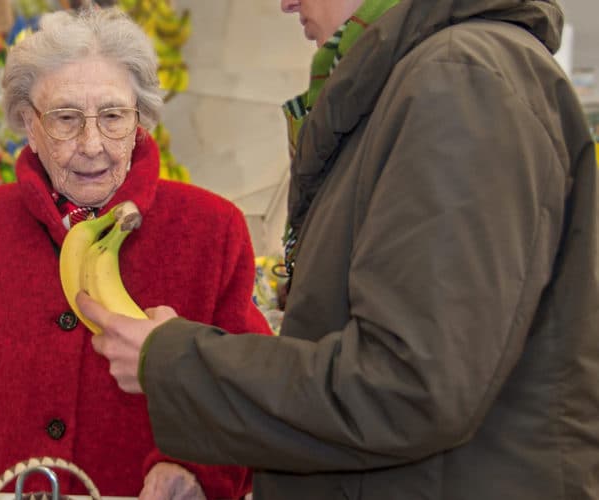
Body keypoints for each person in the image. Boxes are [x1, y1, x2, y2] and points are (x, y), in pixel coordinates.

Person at [80, 0, 599, 499]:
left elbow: (408, 386)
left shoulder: (458, 81)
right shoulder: (421, 80)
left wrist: (175, 361)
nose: (286, 4)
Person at [0, 7, 273, 499]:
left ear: (141, 122)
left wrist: (195, 472)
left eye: (113, 116)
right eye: (66, 119)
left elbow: (243, 393)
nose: (92, 144)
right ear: (29, 126)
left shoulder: (211, 229)